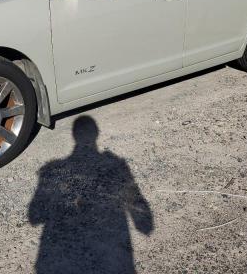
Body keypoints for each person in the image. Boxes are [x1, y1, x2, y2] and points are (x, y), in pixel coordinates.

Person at [28, 115, 153, 274]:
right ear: (97, 134)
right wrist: (142, 222)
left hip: (65, 259)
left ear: (73, 136)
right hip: (107, 257)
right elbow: (138, 208)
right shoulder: (117, 166)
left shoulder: (51, 171)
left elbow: (34, 217)